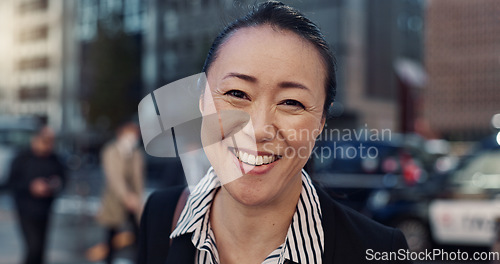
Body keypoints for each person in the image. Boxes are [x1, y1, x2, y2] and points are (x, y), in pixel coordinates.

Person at [138, 2, 411, 264]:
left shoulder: (378, 251)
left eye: (291, 102)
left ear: (320, 123)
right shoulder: (161, 215)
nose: (258, 130)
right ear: (201, 101)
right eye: (237, 94)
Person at [7, 126, 66, 264]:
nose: (47, 146)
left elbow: (63, 180)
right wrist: (31, 186)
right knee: (33, 247)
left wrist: (53, 185)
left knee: (41, 249)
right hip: (25, 209)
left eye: (50, 142)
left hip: (45, 208)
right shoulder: (22, 158)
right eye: (45, 141)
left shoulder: (54, 159)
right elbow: (10, 183)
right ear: (36, 140)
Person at [97, 122, 144, 263]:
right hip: (114, 200)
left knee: (139, 236)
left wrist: (137, 199)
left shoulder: (136, 153)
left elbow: (139, 179)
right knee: (111, 236)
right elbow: (114, 177)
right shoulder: (110, 151)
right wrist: (126, 197)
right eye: (130, 134)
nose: (133, 138)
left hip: (134, 201)